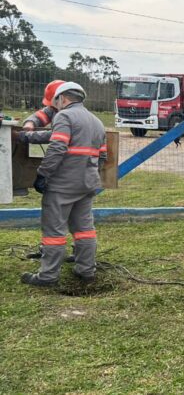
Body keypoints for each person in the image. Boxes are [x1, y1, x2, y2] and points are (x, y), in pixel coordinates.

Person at [16, 82, 107, 286]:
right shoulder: (97, 121)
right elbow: (102, 156)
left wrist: (43, 174)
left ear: (62, 98)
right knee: (84, 229)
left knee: (54, 232)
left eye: (55, 101)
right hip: (87, 184)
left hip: (62, 186)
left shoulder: (64, 116)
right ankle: (86, 270)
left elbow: (57, 146)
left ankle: (48, 276)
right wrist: (28, 137)